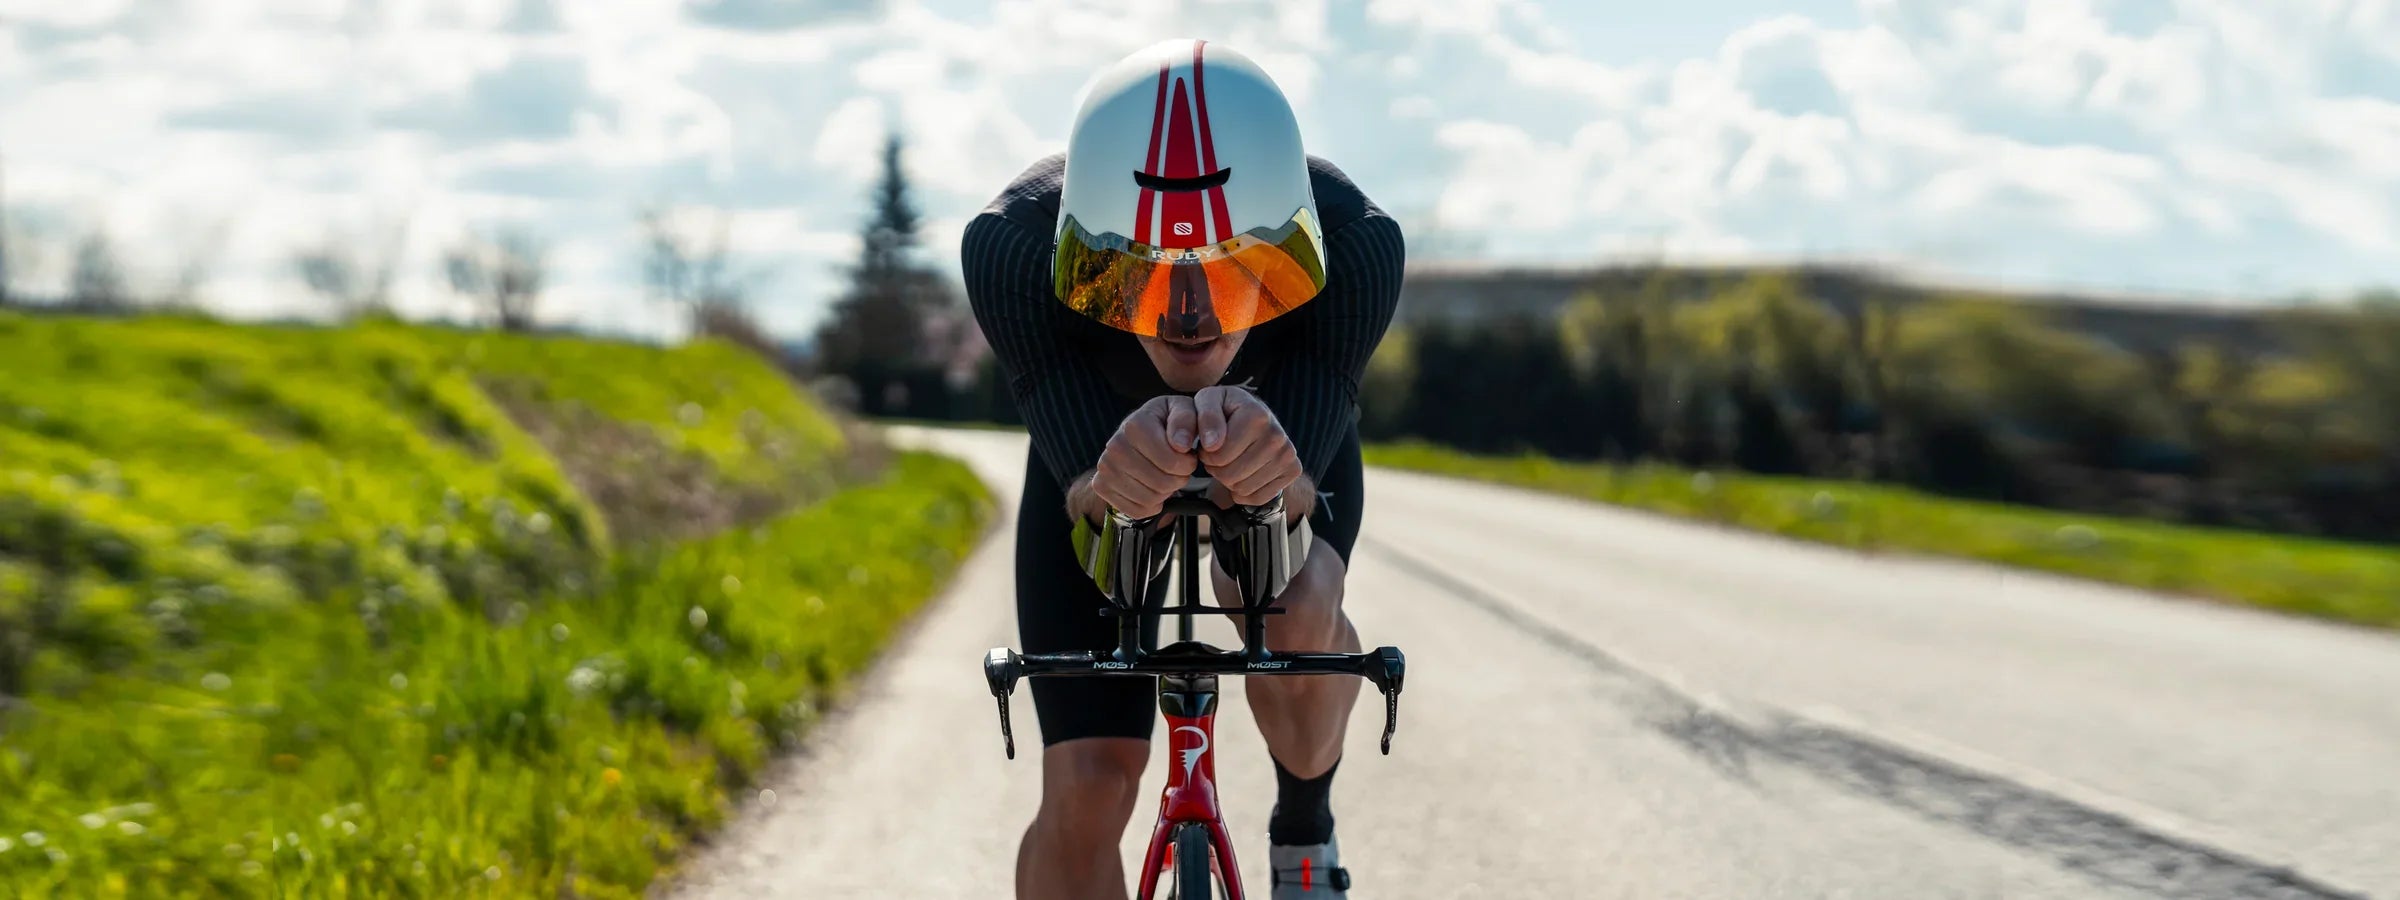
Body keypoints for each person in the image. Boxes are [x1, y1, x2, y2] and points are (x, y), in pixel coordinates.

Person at [961, 37, 1404, 900]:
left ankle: (1303, 822)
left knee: (1294, 602)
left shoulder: (1356, 248)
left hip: (1281, 438)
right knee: (1087, 782)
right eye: (1146, 278)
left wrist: (1280, 476)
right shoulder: (1012, 251)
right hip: (1099, 441)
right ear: (1083, 256)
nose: (1192, 318)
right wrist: (1102, 474)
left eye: (1236, 277)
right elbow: (1087, 493)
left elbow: (1301, 487)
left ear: (1290, 250)